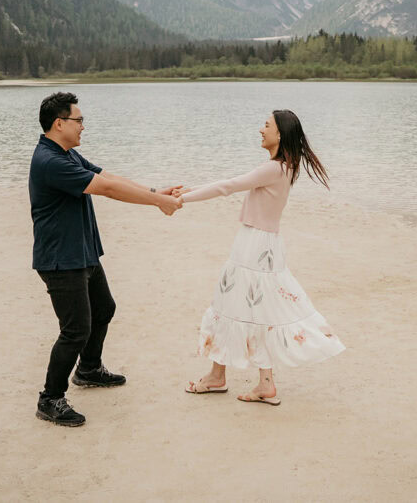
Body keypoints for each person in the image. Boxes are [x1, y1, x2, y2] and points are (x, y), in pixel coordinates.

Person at [29, 92, 182, 427]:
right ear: (59, 123)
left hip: (81, 252)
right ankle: (50, 398)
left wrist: (154, 192)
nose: (83, 126)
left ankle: (88, 369)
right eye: (79, 120)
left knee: (104, 308)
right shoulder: (51, 161)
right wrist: (157, 203)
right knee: (75, 330)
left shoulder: (67, 154)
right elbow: (107, 190)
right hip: (61, 259)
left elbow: (109, 177)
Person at [179, 109, 345, 405]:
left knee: (231, 304)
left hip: (254, 247)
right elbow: (228, 183)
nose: (261, 130)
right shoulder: (285, 167)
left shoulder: (274, 169)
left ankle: (221, 377)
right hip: (265, 245)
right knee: (254, 309)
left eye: (266, 125)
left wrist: (182, 199)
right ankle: (256, 381)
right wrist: (188, 190)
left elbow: (227, 186)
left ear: (279, 134)